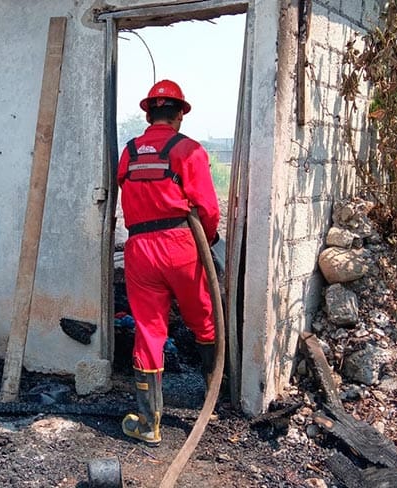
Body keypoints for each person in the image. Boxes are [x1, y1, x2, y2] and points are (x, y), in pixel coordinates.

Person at [118, 80, 220, 446]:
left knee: (149, 331)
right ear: (178, 116)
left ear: (148, 115)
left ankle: (148, 424)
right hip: (180, 245)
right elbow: (208, 209)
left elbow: (128, 193)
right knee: (205, 320)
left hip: (139, 248)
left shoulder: (128, 152)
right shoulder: (189, 150)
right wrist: (206, 244)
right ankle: (214, 400)